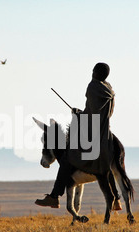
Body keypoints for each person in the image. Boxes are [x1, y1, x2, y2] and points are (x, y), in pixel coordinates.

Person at [35, 63, 122, 210]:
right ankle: (117, 200)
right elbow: (97, 111)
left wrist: (78, 114)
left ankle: (54, 197)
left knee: (66, 160)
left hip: (92, 134)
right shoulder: (109, 90)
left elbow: (91, 115)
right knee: (107, 165)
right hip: (105, 132)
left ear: (94, 72)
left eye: (93, 71)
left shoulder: (93, 87)